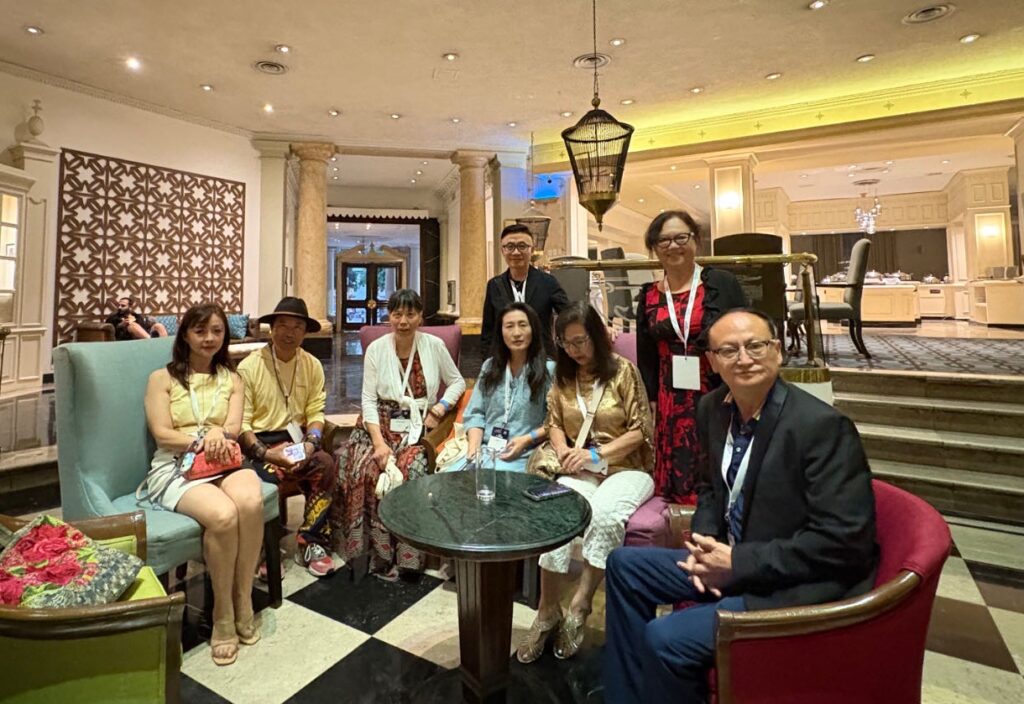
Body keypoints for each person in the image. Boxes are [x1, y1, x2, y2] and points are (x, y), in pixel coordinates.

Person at [603, 308, 878, 704]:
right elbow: (709, 488)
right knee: (624, 565)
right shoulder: (713, 409)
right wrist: (705, 544)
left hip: (792, 582)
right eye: (729, 350)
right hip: (734, 560)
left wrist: (737, 562)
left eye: (755, 346)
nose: (744, 359)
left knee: (665, 637)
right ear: (713, 361)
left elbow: (844, 543)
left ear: (777, 351)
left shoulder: (820, 426)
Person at [518, 301, 654, 664]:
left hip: (625, 468)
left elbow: (641, 430)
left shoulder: (623, 371)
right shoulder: (564, 378)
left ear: (597, 336)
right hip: (579, 468)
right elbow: (554, 423)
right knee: (555, 512)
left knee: (605, 515)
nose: (575, 350)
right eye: (567, 343)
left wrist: (599, 454)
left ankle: (580, 605)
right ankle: (547, 611)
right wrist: (564, 451)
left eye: (581, 341)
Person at [140, 303, 261, 666]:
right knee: (223, 515)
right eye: (200, 331)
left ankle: (243, 597)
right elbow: (162, 434)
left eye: (217, 331)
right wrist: (200, 440)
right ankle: (223, 613)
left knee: (250, 502)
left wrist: (217, 436)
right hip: (176, 467)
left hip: (223, 460)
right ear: (185, 335)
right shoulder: (161, 379)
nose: (209, 338)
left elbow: (233, 428)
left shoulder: (232, 378)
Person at [337, 289, 466, 580]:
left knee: (412, 469)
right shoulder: (376, 349)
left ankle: (408, 558)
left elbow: (457, 382)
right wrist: (379, 444)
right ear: (389, 316)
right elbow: (368, 399)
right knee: (363, 469)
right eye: (397, 314)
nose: (403, 321)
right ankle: (374, 555)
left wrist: (440, 408)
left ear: (420, 317)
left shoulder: (434, 346)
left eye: (410, 314)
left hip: (417, 426)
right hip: (377, 426)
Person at [635, 211, 747, 505]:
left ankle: (718, 511)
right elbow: (646, 352)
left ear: (695, 241)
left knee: (715, 450)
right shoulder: (648, 295)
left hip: (715, 386)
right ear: (654, 247)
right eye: (664, 240)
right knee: (676, 461)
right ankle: (677, 515)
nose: (673, 246)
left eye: (681, 238)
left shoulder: (721, 283)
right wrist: (650, 398)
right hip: (669, 391)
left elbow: (746, 330)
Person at [237, 297, 337, 578]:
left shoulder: (312, 365)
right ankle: (267, 547)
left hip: (297, 440)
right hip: (260, 444)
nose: (289, 333)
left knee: (325, 464)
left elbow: (315, 411)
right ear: (271, 329)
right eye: (282, 325)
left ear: (305, 333)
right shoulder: (249, 367)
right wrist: (267, 454)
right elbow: (242, 424)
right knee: (266, 478)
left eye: (297, 327)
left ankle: (312, 539)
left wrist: (311, 443)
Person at [464, 302, 555, 472]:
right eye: (509, 326)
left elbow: (556, 422)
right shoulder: (489, 367)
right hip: (486, 451)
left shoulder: (548, 370)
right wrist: (473, 449)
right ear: (500, 332)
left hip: (526, 454)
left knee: (497, 483)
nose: (517, 333)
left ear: (533, 330)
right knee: (450, 480)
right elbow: (475, 413)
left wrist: (526, 440)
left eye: (523, 325)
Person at [481, 224, 569, 356]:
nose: (516, 252)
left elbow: (568, 315)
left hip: (542, 358)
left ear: (532, 250)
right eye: (510, 246)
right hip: (506, 360)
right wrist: (489, 362)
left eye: (522, 246)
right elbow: (488, 331)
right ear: (502, 250)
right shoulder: (494, 285)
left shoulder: (548, 282)